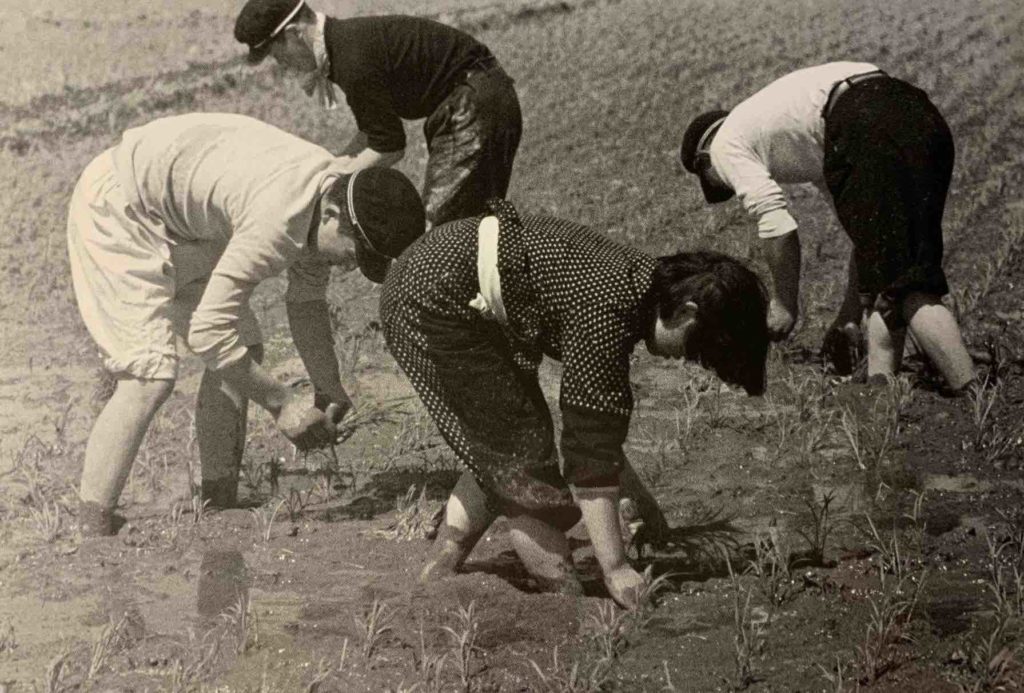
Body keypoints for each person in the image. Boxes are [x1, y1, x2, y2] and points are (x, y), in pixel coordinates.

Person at [380, 198, 768, 606]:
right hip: (433, 297)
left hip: (443, 281)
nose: (685, 359)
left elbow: (600, 436)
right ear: (688, 312)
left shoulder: (635, 282)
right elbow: (589, 454)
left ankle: (442, 566)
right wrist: (616, 568)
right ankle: (561, 598)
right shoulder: (610, 309)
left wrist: (647, 510)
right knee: (524, 458)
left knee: (505, 441)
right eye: (695, 349)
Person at [67, 112, 425, 535]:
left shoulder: (331, 194)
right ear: (331, 215)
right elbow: (207, 332)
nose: (350, 267)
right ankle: (92, 524)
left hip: (180, 219)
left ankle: (219, 497)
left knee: (244, 346)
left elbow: (307, 302)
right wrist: (282, 403)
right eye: (355, 252)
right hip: (121, 206)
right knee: (150, 375)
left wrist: (326, 384)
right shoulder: (280, 219)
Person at [679, 62, 975, 392]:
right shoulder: (798, 132)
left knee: (910, 284)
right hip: (915, 110)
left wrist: (784, 304)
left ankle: (973, 390)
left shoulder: (724, 145)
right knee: (890, 267)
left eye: (716, 182)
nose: (728, 186)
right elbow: (865, 240)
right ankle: (879, 388)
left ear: (703, 157)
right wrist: (849, 316)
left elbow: (777, 225)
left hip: (863, 118)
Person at [234, 0, 522, 228]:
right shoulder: (344, 44)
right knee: (470, 228)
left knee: (440, 235)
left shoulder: (352, 59)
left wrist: (327, 186)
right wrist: (330, 166)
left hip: (473, 106)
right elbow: (372, 132)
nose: (282, 64)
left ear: (294, 34)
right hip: (477, 99)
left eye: (276, 54)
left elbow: (389, 147)